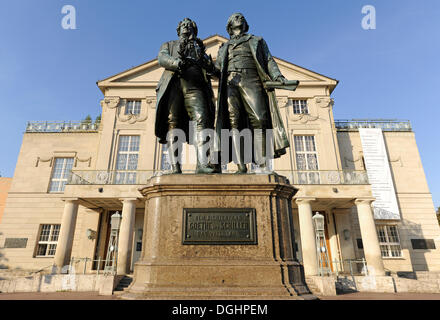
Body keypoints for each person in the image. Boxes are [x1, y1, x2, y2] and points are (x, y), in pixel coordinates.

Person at [214, 13, 290, 173]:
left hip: (252, 79)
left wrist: (277, 76)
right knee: (233, 123)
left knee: (260, 119)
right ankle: (240, 166)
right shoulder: (224, 47)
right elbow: (218, 70)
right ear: (229, 25)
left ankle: (263, 164)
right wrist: (207, 66)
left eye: (241, 17)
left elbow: (269, 60)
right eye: (235, 17)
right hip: (230, 82)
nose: (239, 17)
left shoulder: (257, 41)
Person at [155, 18, 218, 174]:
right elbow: (162, 58)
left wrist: (207, 63)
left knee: (201, 119)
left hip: (195, 84)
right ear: (178, 30)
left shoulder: (199, 48)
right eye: (183, 25)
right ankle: (175, 167)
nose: (186, 27)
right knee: (172, 123)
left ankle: (202, 164)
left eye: (189, 25)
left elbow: (212, 70)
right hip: (173, 83)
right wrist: (177, 63)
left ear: (193, 30)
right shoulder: (169, 45)